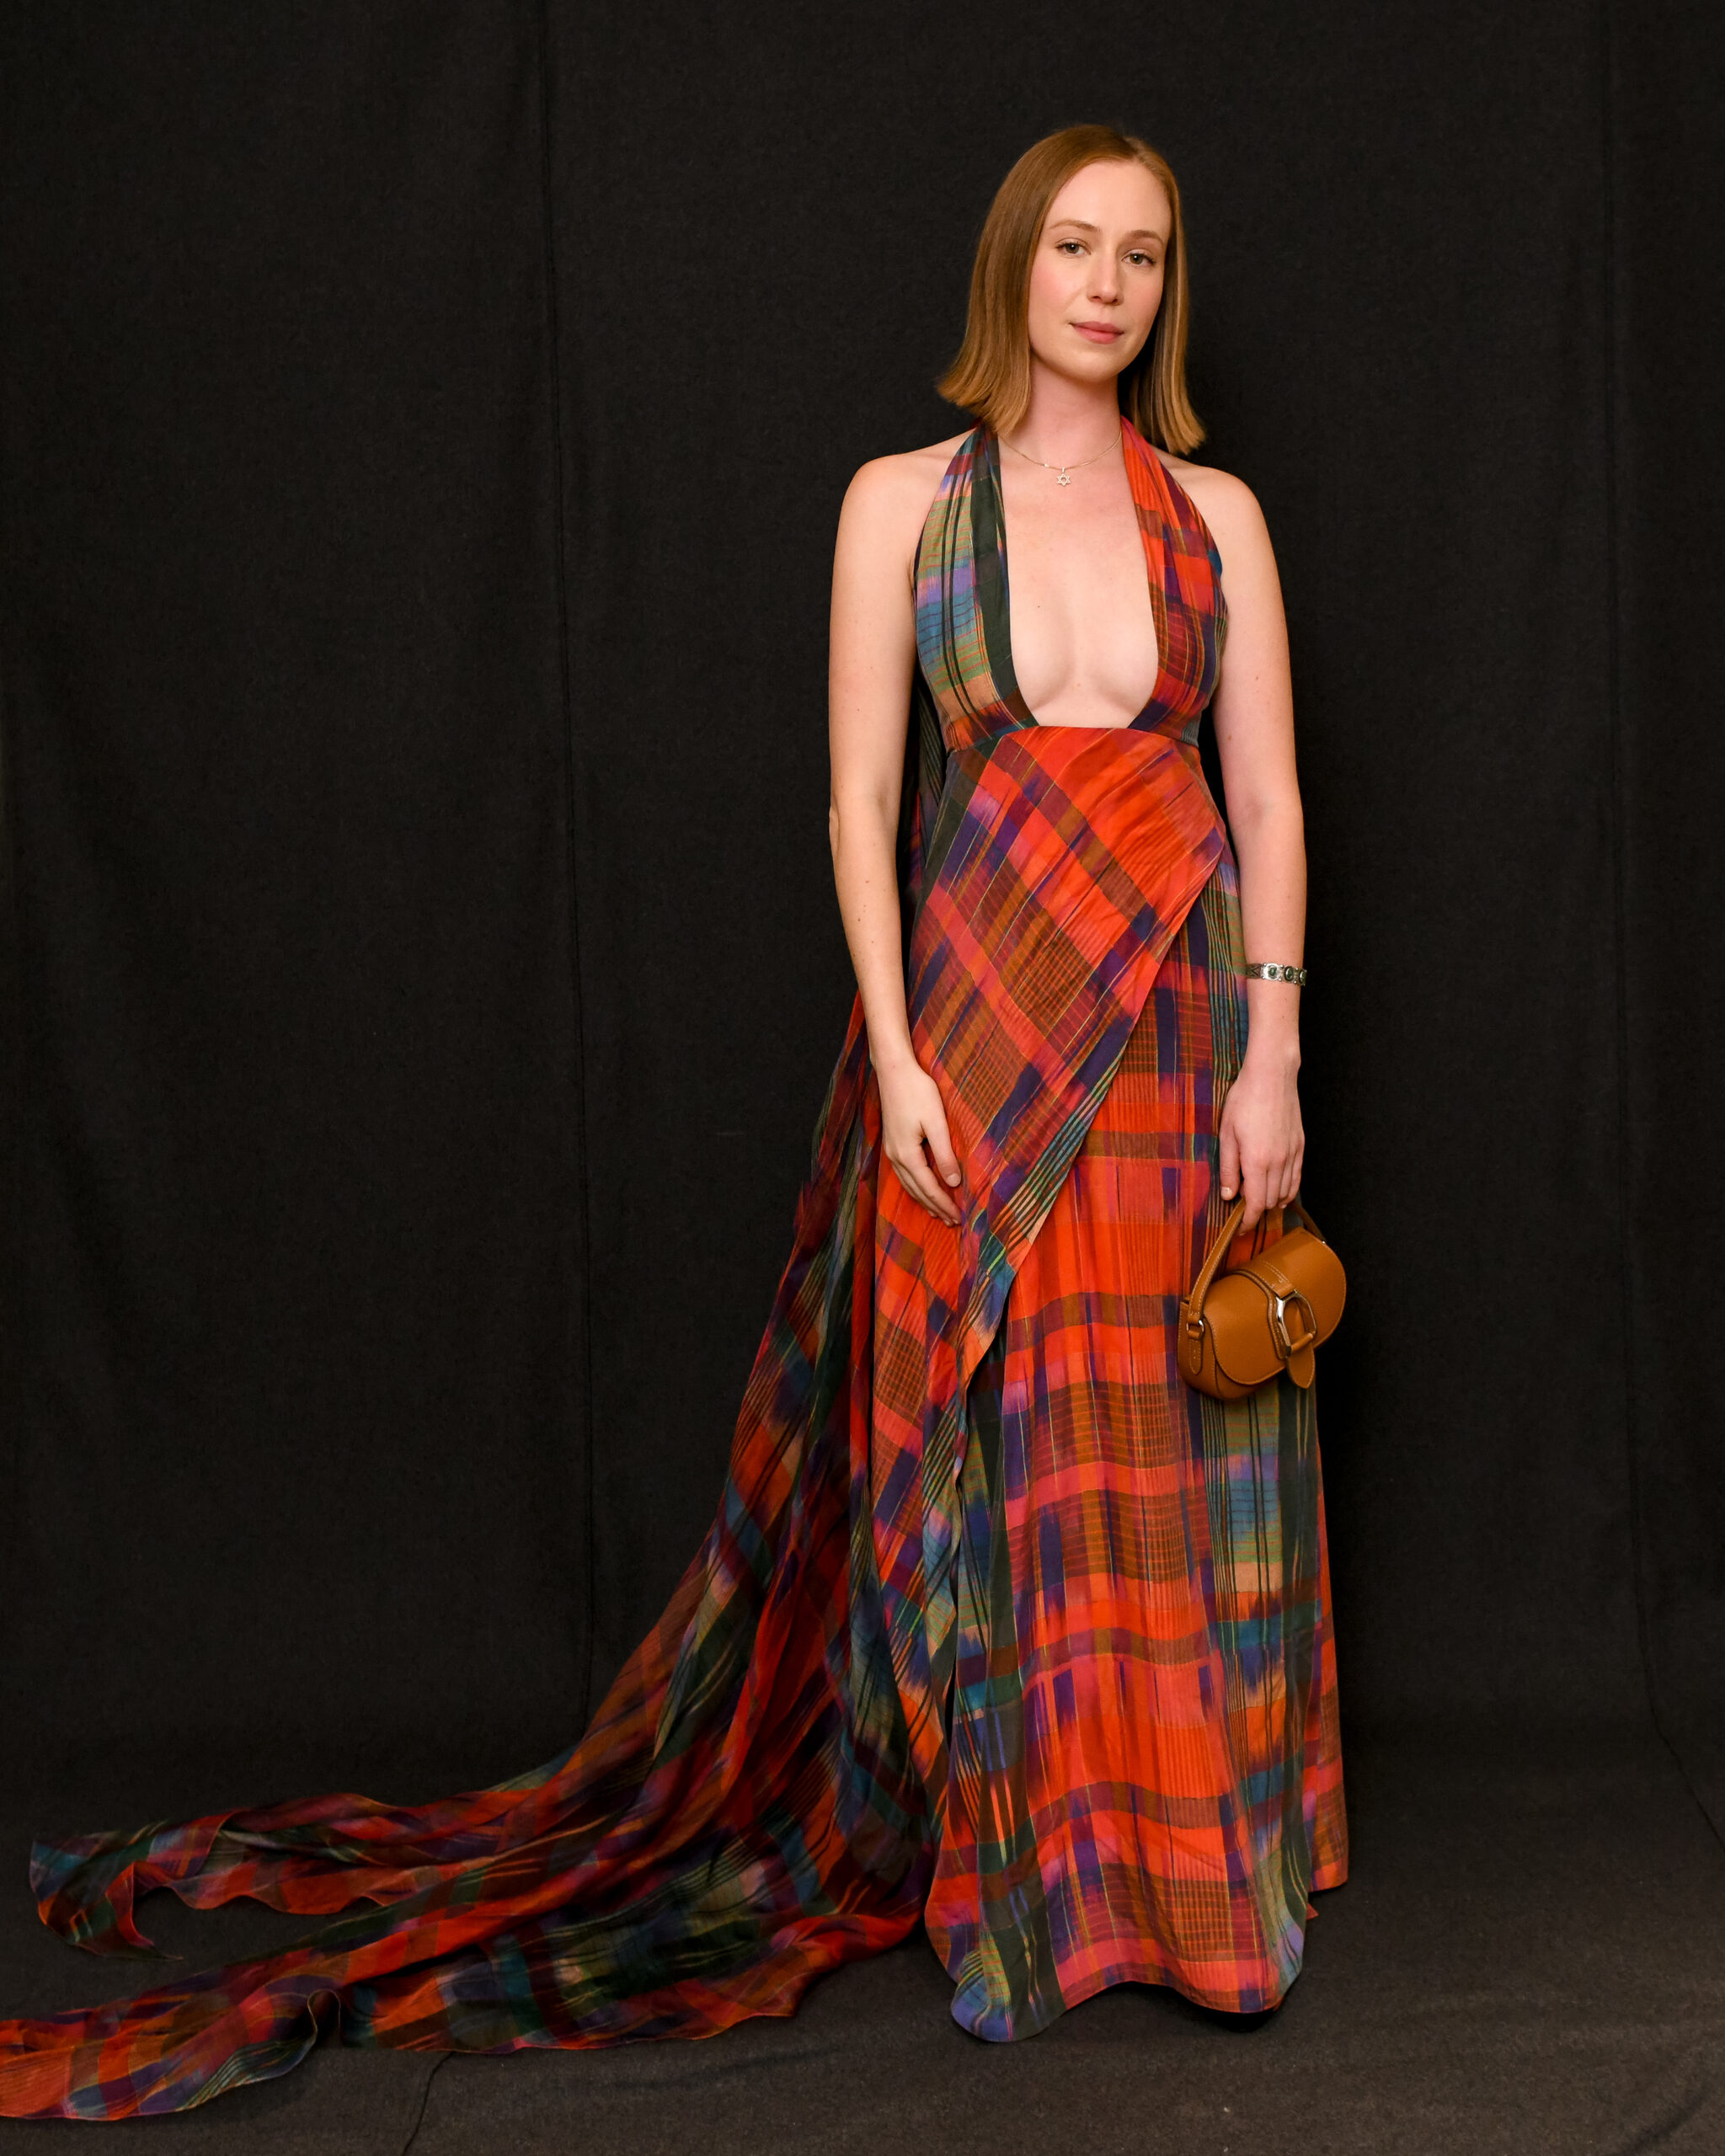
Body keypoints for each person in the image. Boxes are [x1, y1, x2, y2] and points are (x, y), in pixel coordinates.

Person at [0, 123, 1345, 2121]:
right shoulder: (901, 503)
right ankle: (1029, 1893)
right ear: (1015, 263)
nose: (1104, 285)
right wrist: (895, 1055)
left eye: (1140, 255)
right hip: (978, 1027)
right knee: (1003, 1445)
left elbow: (1271, 798)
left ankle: (1199, 1880)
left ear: (1165, 288)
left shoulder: (1216, 514)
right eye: (1073, 245)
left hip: (1170, 1022)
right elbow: (860, 804)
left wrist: (1272, 1052)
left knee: (1162, 1423)